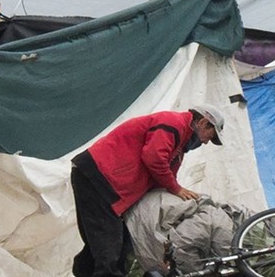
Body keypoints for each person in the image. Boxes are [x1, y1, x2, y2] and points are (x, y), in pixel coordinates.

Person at [70, 104, 225, 277]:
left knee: (114, 242)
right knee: (109, 243)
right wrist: (176, 189)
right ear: (203, 122)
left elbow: (161, 180)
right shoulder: (173, 122)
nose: (205, 142)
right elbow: (154, 157)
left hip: (110, 183)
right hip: (98, 175)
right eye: (209, 136)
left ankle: (83, 271)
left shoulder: (179, 146)